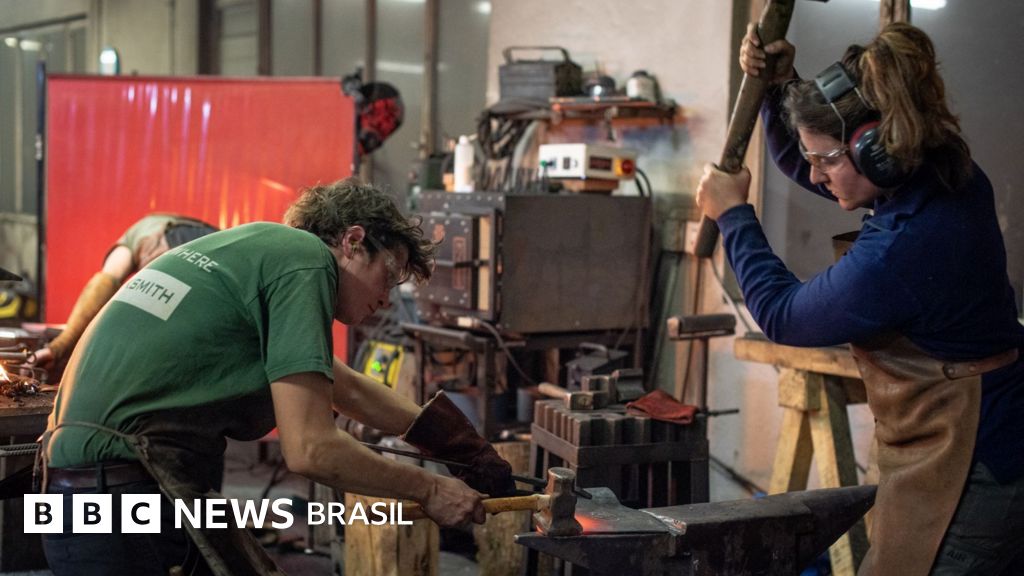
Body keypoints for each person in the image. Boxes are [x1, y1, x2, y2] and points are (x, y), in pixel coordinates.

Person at [39, 178, 514, 576]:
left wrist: (460, 447)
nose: (386, 299)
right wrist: (430, 489)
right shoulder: (305, 259)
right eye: (387, 277)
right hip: (117, 503)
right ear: (353, 242)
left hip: (79, 497)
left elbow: (343, 386)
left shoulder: (258, 249)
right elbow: (311, 449)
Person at [697, 23, 1024, 575]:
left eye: (826, 159)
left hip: (977, 460)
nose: (815, 174)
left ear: (875, 151)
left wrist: (732, 215)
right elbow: (814, 167)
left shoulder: (902, 247)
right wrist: (780, 88)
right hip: (996, 432)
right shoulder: (946, 170)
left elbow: (781, 313)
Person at [33, 213, 219, 368]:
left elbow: (106, 281)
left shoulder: (134, 235)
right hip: (217, 252)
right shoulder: (196, 228)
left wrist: (60, 346)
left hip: (169, 247)